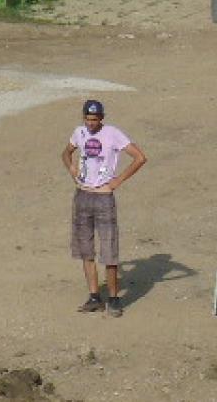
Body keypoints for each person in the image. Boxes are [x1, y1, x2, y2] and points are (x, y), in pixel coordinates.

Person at [61, 99, 148, 317]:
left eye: (94, 119)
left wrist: (118, 181)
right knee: (86, 249)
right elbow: (66, 153)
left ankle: (114, 299)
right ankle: (94, 297)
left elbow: (140, 157)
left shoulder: (113, 134)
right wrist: (72, 169)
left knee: (109, 250)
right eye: (87, 119)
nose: (90, 123)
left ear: (101, 118)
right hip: (82, 196)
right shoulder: (79, 133)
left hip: (103, 197)